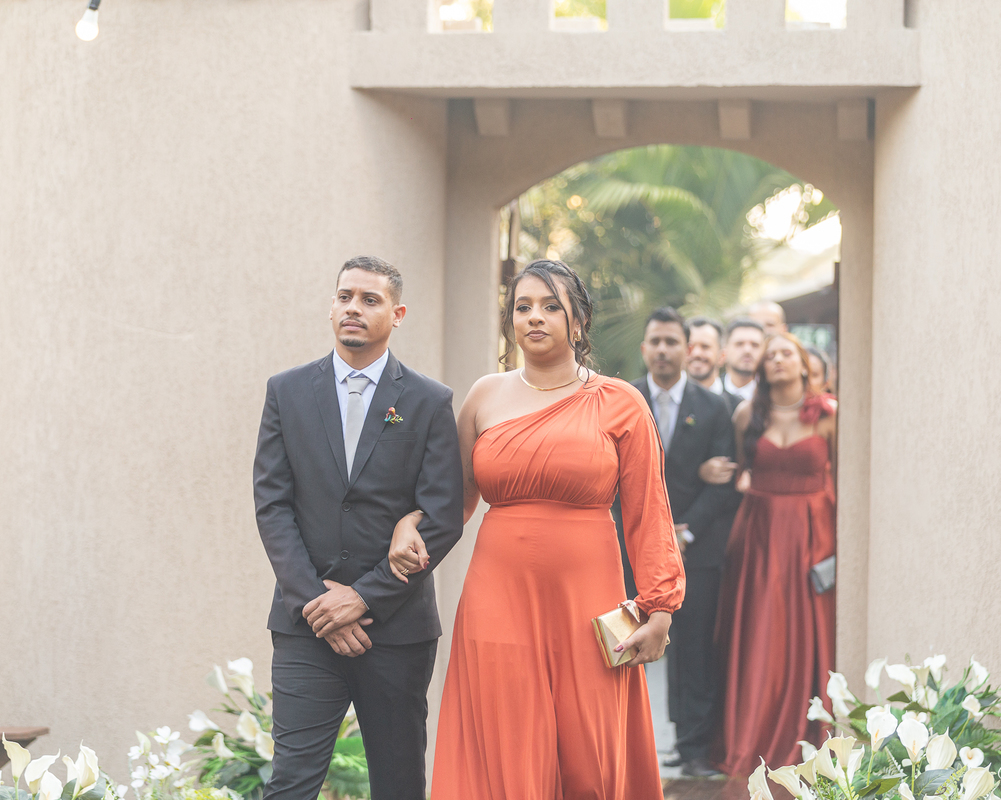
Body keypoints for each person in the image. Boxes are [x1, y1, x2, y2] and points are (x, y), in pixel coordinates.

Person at [391, 260, 685, 800]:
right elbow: (452, 502)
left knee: (591, 753)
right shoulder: (484, 396)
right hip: (498, 593)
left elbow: (649, 512)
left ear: (579, 321)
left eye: (551, 306)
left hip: (589, 596)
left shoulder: (621, 401)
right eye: (523, 307)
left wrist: (660, 607)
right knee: (507, 736)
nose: (534, 317)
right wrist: (411, 521)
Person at [253, 256, 465, 800]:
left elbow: (442, 516)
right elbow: (272, 505)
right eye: (345, 296)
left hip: (395, 630)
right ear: (331, 307)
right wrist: (318, 603)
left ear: (397, 314)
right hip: (305, 627)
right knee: (290, 785)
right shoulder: (286, 391)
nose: (354, 308)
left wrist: (364, 597)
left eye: (370, 300)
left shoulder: (429, 401)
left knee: (399, 786)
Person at [713, 332, 836, 777]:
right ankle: (753, 736)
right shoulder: (748, 414)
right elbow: (740, 473)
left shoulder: (829, 415)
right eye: (771, 356)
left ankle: (813, 737)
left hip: (811, 535)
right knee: (762, 634)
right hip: (759, 538)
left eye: (787, 353)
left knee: (809, 632)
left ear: (803, 364)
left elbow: (844, 481)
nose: (778, 360)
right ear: (761, 368)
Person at [629, 308, 739, 779]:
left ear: (687, 349)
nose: (663, 350)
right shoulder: (624, 397)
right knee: (625, 643)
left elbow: (724, 480)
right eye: (655, 341)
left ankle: (692, 748)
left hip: (696, 545)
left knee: (692, 648)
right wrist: (648, 532)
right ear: (644, 348)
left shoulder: (713, 407)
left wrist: (682, 530)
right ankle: (626, 750)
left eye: (672, 341)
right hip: (631, 545)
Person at [721, 318, 765, 404]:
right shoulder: (711, 392)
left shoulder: (773, 395)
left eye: (755, 345)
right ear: (725, 350)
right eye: (739, 344)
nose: (747, 350)